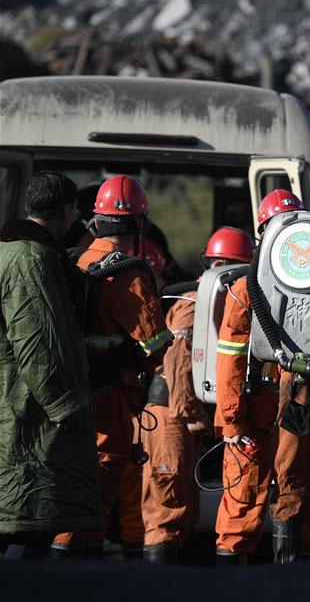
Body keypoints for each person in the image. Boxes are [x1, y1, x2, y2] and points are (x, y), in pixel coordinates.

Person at [52, 174, 173, 557]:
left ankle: (63, 557)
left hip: (68, 392)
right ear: (139, 224)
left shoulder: (78, 261)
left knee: (72, 476)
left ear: (95, 220)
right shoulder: (130, 273)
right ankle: (72, 559)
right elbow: (154, 343)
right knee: (99, 478)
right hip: (107, 396)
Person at [214, 190, 310, 565]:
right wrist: (232, 423)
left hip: (298, 413)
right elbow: (229, 362)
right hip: (257, 416)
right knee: (241, 505)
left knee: (305, 499)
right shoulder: (246, 290)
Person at [0, 172, 100, 558]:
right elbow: (36, 339)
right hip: (27, 412)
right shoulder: (32, 257)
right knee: (25, 523)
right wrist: (63, 402)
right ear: (68, 210)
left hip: (18, 403)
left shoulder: (14, 250)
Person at [141, 227, 254, 564]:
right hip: (171, 413)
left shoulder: (213, 301)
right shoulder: (195, 306)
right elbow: (177, 363)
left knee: (181, 505)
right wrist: (191, 415)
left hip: (177, 411)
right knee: (168, 506)